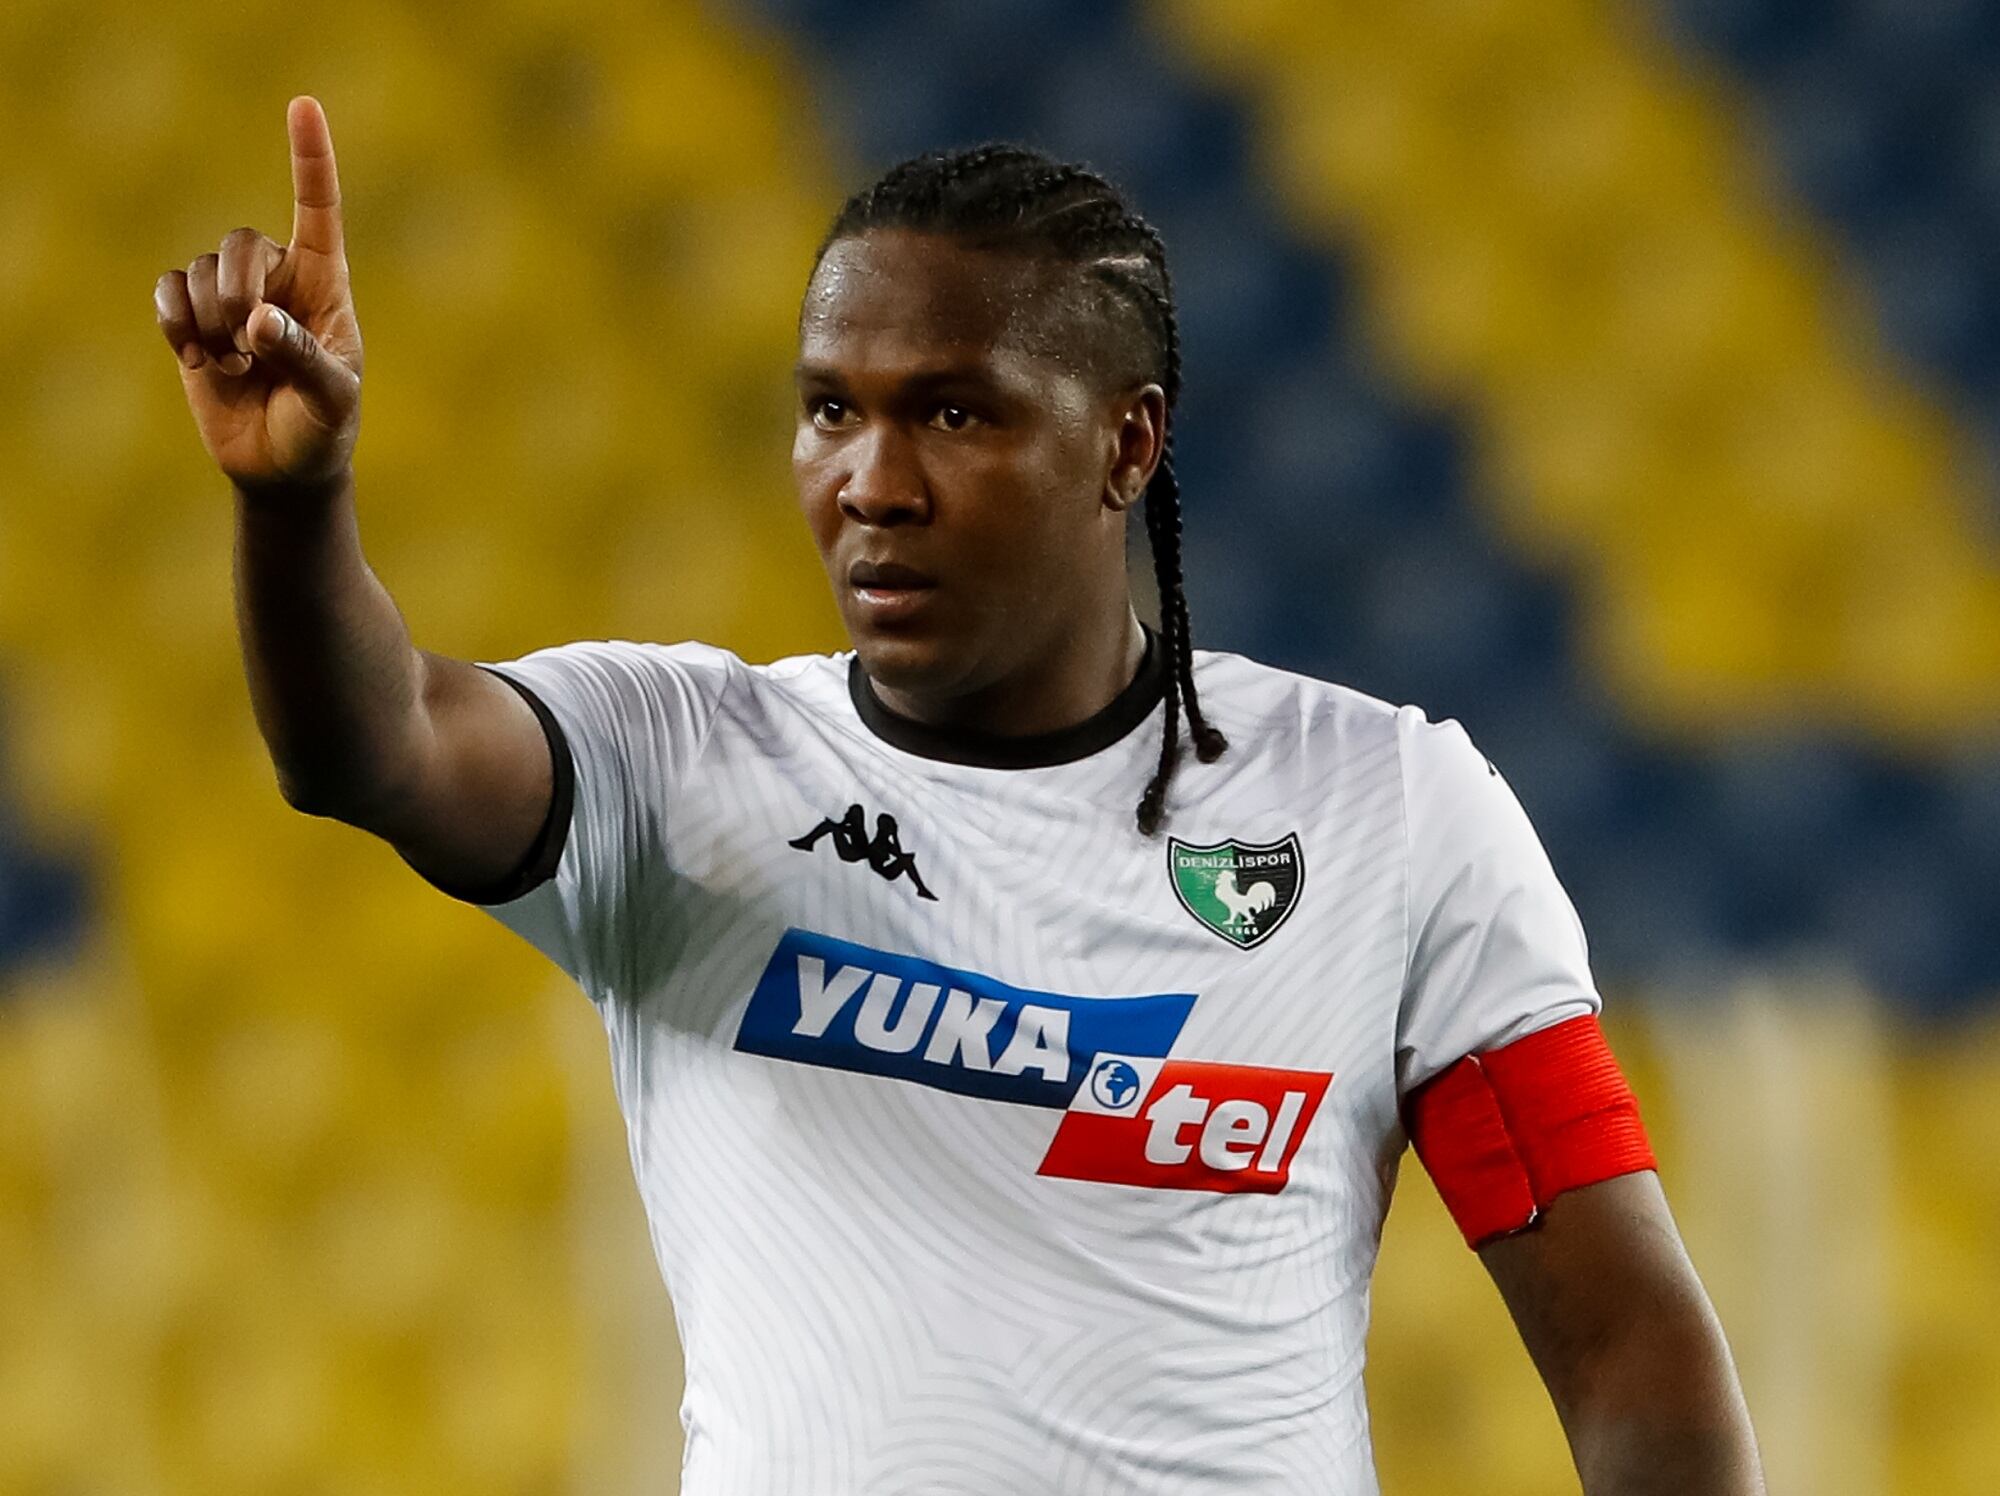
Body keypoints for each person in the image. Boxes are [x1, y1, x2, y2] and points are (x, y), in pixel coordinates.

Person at [155, 97, 1766, 1495]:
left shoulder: (1386, 811)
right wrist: (299, 507)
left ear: (1127, 446)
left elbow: (1623, 1341)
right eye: (831, 407)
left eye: (952, 410)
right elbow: (378, 748)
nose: (870, 478)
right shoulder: (680, 762)